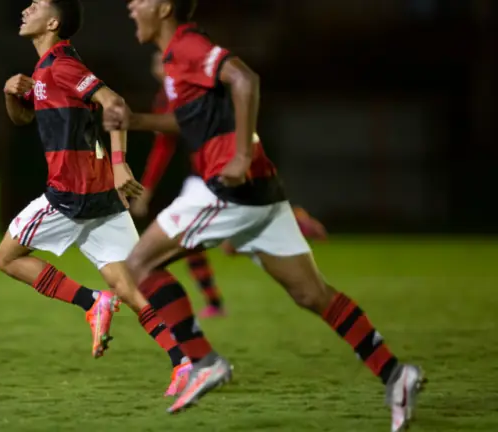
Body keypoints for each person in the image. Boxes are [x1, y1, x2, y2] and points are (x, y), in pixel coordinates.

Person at [105, 0, 425, 428]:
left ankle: (203, 361)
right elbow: (190, 123)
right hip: (261, 192)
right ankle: (395, 373)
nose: (130, 7)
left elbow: (245, 78)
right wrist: (136, 119)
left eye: (140, 0)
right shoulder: (175, 58)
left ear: (164, 8)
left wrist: (238, 155)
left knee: (137, 266)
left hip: (229, 189)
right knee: (313, 295)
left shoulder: (187, 45)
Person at [0, 0, 191, 396]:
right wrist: (10, 94)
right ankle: (183, 363)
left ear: (52, 22)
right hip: (100, 198)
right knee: (130, 288)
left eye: (37, 4)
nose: (27, 6)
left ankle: (91, 302)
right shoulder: (44, 70)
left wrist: (120, 163)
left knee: (7, 258)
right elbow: (23, 118)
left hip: (71, 195)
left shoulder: (62, 66)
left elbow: (114, 102)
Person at [131, 51, 329, 319]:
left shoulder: (189, 90)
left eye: (164, 63)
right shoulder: (170, 96)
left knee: (181, 242)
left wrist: (148, 190)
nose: (160, 68)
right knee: (197, 240)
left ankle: (209, 317)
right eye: (156, 63)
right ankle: (292, 221)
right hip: (209, 173)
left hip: (214, 175)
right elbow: (164, 146)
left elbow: (164, 147)